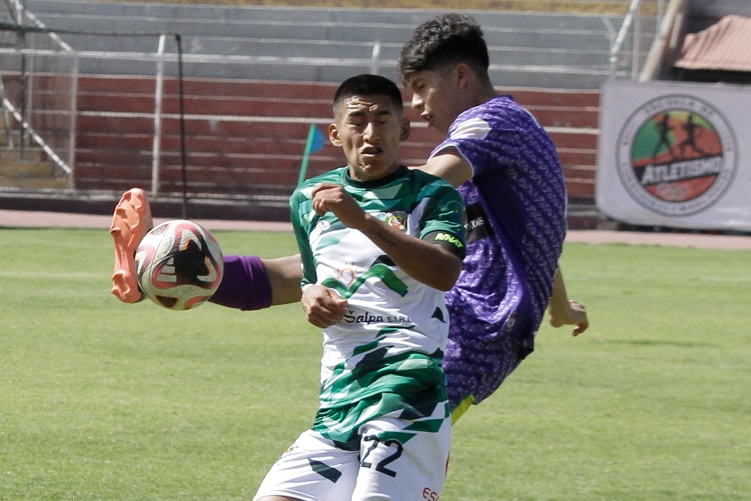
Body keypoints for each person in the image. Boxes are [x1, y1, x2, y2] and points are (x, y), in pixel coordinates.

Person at [110, 13, 588, 423]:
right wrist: (558, 304)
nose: (417, 106)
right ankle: (176, 268)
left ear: (461, 76)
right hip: (452, 305)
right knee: (321, 275)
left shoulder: (489, 122)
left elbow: (422, 185)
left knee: (390, 448)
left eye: (421, 88)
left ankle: (175, 264)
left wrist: (356, 195)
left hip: (473, 327)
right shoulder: (507, 133)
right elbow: (522, 234)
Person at [250, 73, 464, 501]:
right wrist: (311, 295)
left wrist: (363, 219)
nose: (371, 133)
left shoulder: (433, 196)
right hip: (339, 396)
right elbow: (312, 279)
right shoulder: (308, 199)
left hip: (408, 390)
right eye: (358, 120)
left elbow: (445, 272)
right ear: (335, 133)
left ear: (403, 130)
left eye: (383, 120)